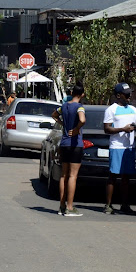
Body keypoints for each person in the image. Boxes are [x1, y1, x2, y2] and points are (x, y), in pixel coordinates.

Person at [103, 83, 136, 215]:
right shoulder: (111, 110)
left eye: (130, 93)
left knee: (126, 177)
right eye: (126, 93)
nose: (129, 96)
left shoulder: (133, 109)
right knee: (113, 176)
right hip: (117, 146)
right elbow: (106, 129)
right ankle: (108, 205)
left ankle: (125, 205)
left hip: (129, 147)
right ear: (118, 95)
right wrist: (123, 129)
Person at [52, 84, 86, 216]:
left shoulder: (64, 106)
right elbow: (82, 120)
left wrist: (63, 124)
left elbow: (54, 115)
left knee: (63, 175)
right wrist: (77, 129)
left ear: (72, 92)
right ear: (82, 94)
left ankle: (61, 205)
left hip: (64, 142)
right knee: (73, 176)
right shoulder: (79, 107)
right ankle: (70, 207)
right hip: (75, 144)